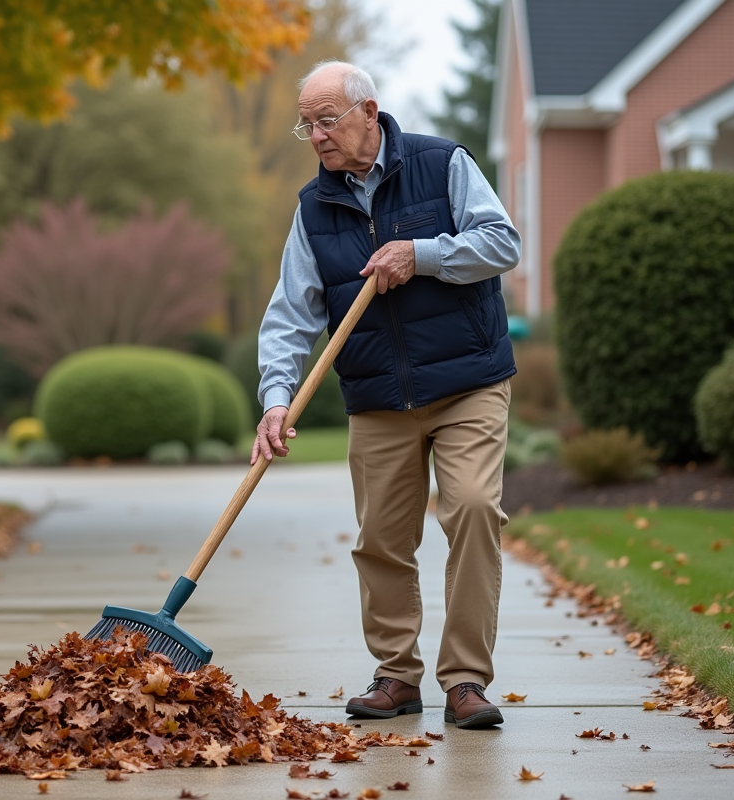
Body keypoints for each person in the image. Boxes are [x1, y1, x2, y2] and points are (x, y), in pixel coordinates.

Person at [250, 60, 521, 728]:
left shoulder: (441, 163)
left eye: (327, 120)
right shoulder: (314, 209)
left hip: (467, 382)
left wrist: (420, 254)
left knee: (474, 510)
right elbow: (291, 314)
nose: (315, 136)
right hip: (377, 398)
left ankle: (465, 681)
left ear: (369, 112)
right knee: (381, 541)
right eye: (306, 124)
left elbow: (501, 241)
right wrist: (276, 398)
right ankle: (398, 677)